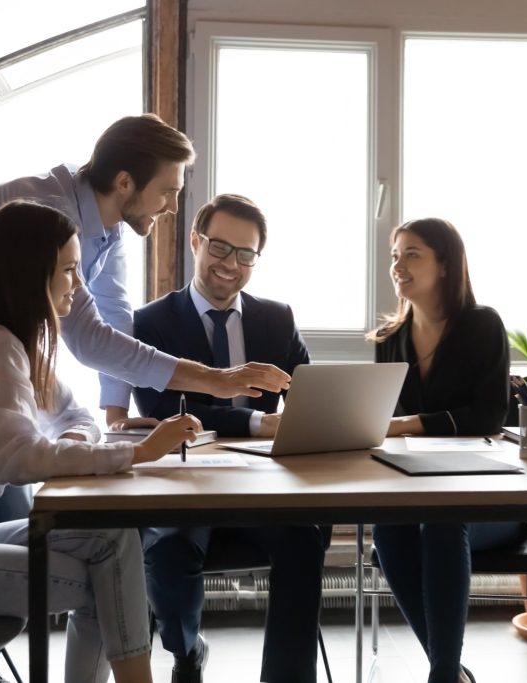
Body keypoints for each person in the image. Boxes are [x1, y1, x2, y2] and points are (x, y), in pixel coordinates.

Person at [0, 115, 288, 683]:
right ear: (128, 181)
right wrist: (139, 446)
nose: (170, 207)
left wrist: (112, 422)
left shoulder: (91, 249)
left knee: (91, 533)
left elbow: (100, 334)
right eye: (168, 191)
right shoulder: (34, 218)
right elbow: (68, 366)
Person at [0, 200, 202, 683]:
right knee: (103, 582)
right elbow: (16, 460)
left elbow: (76, 414)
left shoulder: (7, 342)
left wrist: (74, 440)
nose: (78, 284)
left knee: (114, 538)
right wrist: (141, 451)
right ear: (33, 275)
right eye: (68, 269)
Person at [113, 194, 328, 683]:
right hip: (183, 486)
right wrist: (256, 423)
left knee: (305, 541)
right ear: (195, 241)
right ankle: (187, 653)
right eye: (220, 247)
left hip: (261, 487)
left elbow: (310, 392)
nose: (231, 264)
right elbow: (164, 411)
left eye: (246, 253)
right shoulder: (150, 323)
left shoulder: (277, 318)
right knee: (166, 554)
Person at [368, 218, 527, 683]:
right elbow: (382, 423)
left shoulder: (482, 325)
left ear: (445, 264)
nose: (398, 264)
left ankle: (442, 674)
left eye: (412, 253)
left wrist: (409, 423)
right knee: (389, 528)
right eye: (394, 255)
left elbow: (488, 416)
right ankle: (449, 672)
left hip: (489, 499)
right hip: (418, 489)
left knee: (441, 521)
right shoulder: (390, 340)